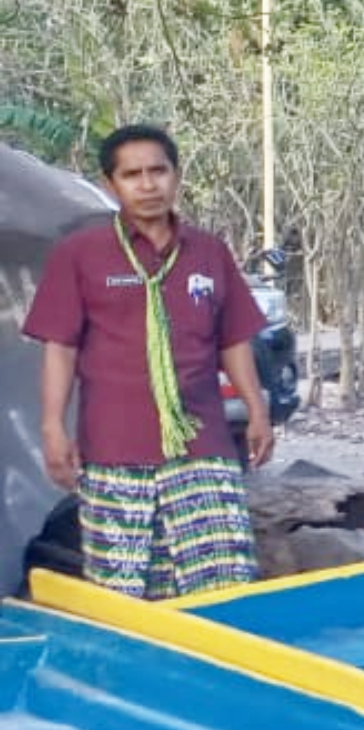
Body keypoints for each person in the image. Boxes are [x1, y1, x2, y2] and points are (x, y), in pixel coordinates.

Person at [24, 124, 273, 598]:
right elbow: (61, 346)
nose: (147, 184)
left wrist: (257, 411)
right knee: (125, 590)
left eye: (158, 171)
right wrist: (53, 427)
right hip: (114, 450)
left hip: (202, 447)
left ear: (176, 176)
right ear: (109, 185)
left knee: (223, 583)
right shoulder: (81, 255)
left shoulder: (208, 253)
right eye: (132, 174)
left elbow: (233, 341)